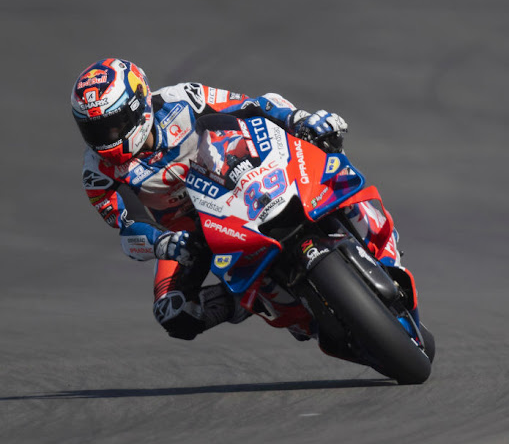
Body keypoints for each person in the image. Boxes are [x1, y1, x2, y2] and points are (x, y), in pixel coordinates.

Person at [73, 58, 349, 340]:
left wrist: (299, 120)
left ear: (138, 106)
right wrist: (162, 243)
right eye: (94, 130)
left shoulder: (181, 99)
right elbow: (130, 224)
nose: (107, 138)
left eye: (114, 125)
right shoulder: (97, 173)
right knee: (173, 313)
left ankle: (358, 219)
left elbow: (252, 106)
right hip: (190, 233)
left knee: (323, 149)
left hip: (237, 179)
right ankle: (253, 300)